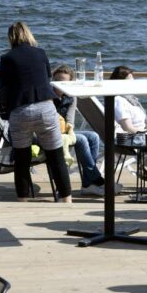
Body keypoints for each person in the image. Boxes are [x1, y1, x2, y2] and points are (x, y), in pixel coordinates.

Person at [0, 21, 72, 203]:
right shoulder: (40, 53)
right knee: (56, 157)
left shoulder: (7, 59)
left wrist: (5, 114)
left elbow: (5, 89)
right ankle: (67, 200)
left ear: (11, 37)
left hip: (20, 111)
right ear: (28, 34)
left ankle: (22, 201)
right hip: (45, 108)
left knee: (22, 160)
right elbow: (46, 78)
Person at [51, 64, 119, 197]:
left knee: (93, 136)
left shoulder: (71, 97)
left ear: (70, 83)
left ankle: (88, 183)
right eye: (58, 80)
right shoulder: (48, 96)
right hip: (51, 132)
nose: (60, 84)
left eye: (64, 81)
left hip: (65, 131)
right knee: (81, 139)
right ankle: (97, 179)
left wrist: (69, 130)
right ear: (53, 80)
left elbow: (70, 120)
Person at [109, 66, 147, 133]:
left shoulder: (131, 99)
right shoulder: (119, 100)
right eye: (130, 80)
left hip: (142, 131)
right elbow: (128, 128)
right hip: (135, 137)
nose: (133, 82)